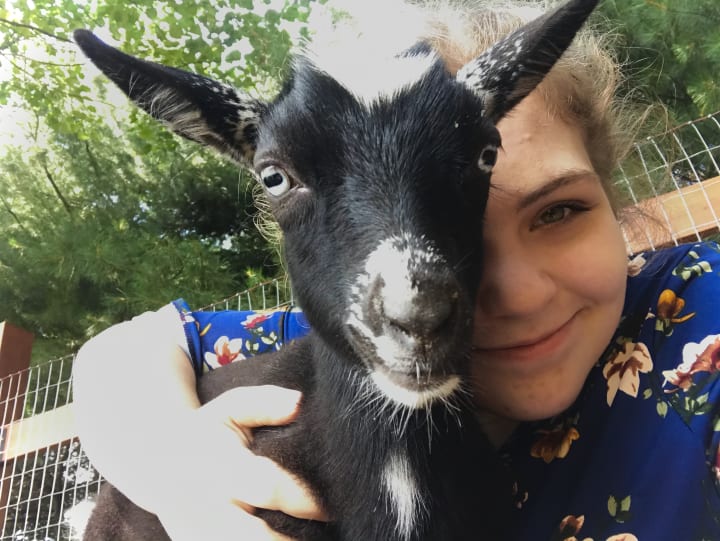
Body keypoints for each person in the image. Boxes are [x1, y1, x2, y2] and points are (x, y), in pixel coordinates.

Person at [72, 1, 720, 540]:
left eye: (559, 212)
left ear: (615, 200)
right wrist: (174, 472)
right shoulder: (335, 346)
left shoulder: (694, 317)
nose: (519, 294)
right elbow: (125, 349)